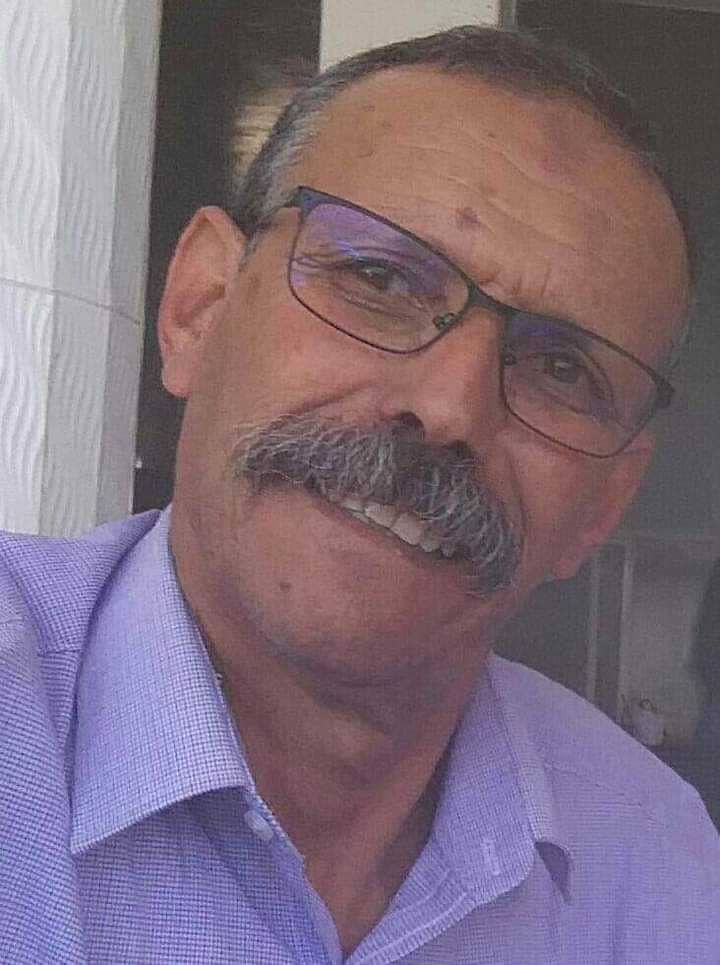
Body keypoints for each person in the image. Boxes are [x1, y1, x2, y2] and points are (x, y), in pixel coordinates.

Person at [1, 26, 718, 965]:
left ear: (603, 504)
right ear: (199, 307)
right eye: (379, 278)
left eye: (559, 369)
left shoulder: (658, 865)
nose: (451, 406)